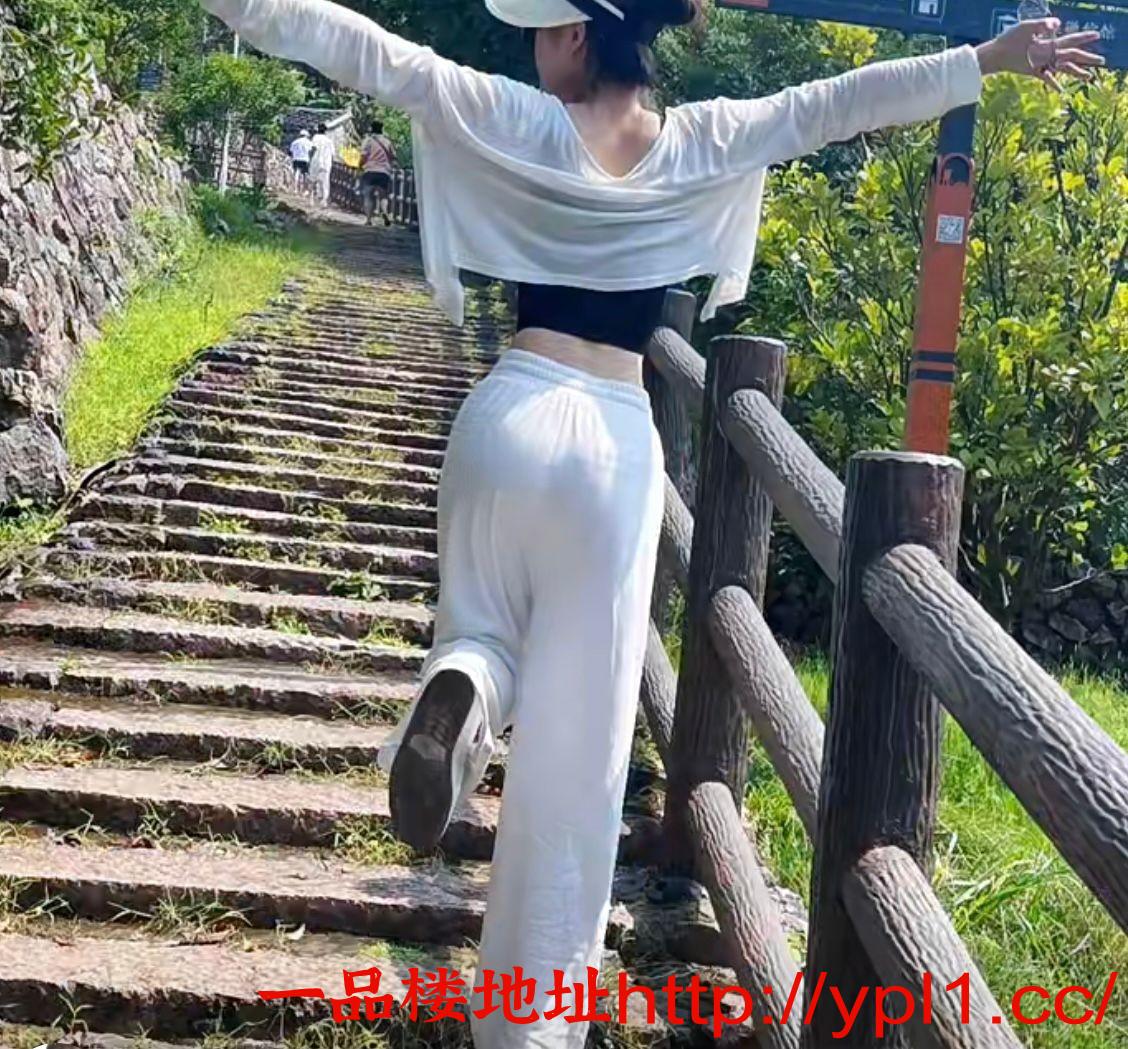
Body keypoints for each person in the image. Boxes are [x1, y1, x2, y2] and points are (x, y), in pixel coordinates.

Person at [198, 0, 1103, 1045]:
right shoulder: (703, 139)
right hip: (612, 444)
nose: (534, 49)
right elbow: (839, 104)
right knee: (577, 763)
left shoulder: (515, 120)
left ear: (579, 35)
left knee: (481, 629)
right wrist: (986, 59)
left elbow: (368, 50)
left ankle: (467, 688)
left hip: (505, 416)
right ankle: (528, 1030)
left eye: (544, 30)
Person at [359, 119, 397, 226]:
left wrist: (359, 166)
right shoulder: (387, 142)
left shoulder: (368, 141)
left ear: (371, 129)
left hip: (370, 171)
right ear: (382, 129)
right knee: (383, 195)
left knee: (368, 196)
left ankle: (368, 219)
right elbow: (393, 157)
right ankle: (384, 212)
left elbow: (363, 156)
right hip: (384, 172)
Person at [308, 121, 335, 207]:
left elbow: (313, 148)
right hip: (326, 163)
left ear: (318, 129)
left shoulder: (315, 137)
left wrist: (309, 158)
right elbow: (333, 154)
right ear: (326, 131)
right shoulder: (329, 140)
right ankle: (324, 201)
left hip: (316, 161)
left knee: (312, 180)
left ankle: (311, 199)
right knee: (325, 182)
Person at [288, 128, 313, 194]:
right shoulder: (309, 142)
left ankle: (295, 189)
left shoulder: (295, 142)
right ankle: (305, 190)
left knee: (296, 172)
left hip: (296, 159)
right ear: (306, 136)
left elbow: (290, 151)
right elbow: (311, 151)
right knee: (305, 174)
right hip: (305, 159)